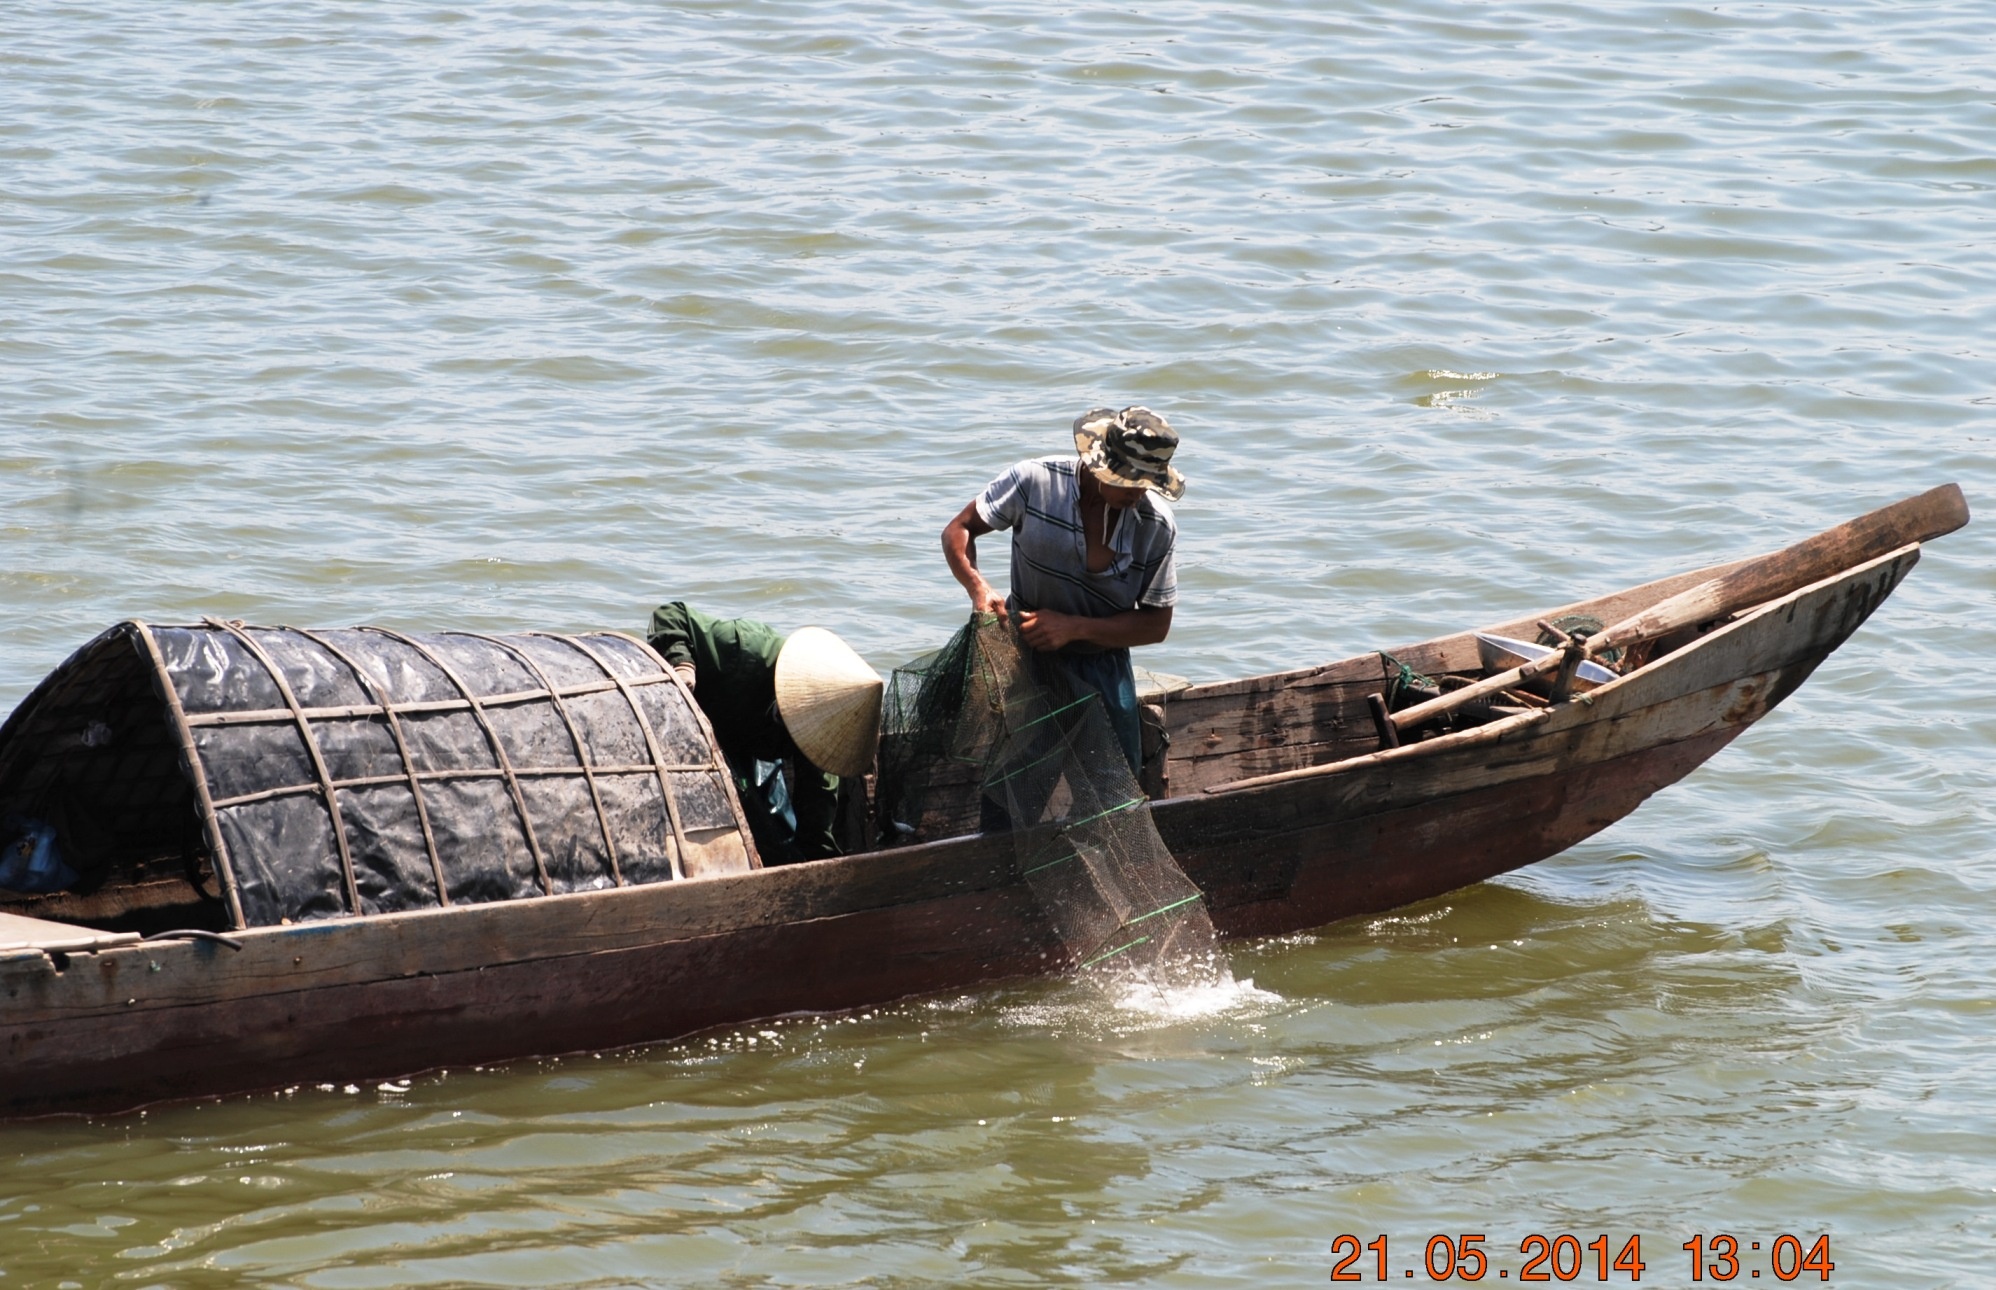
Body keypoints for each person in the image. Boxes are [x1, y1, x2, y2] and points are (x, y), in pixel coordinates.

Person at [940, 405, 1184, 776]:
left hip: (1103, 665)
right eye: (1128, 482)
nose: (1137, 495)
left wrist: (1074, 628)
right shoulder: (1034, 481)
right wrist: (978, 588)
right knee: (1017, 781)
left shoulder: (1155, 525)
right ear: (1098, 463)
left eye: (1146, 485)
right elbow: (959, 529)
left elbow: (1155, 625)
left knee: (1110, 791)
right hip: (1027, 659)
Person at [645, 604, 882, 865]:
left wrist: (821, 861)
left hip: (750, 747)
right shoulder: (747, 647)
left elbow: (817, 806)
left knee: (773, 834)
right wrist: (683, 664)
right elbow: (669, 615)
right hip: (696, 723)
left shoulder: (821, 736)